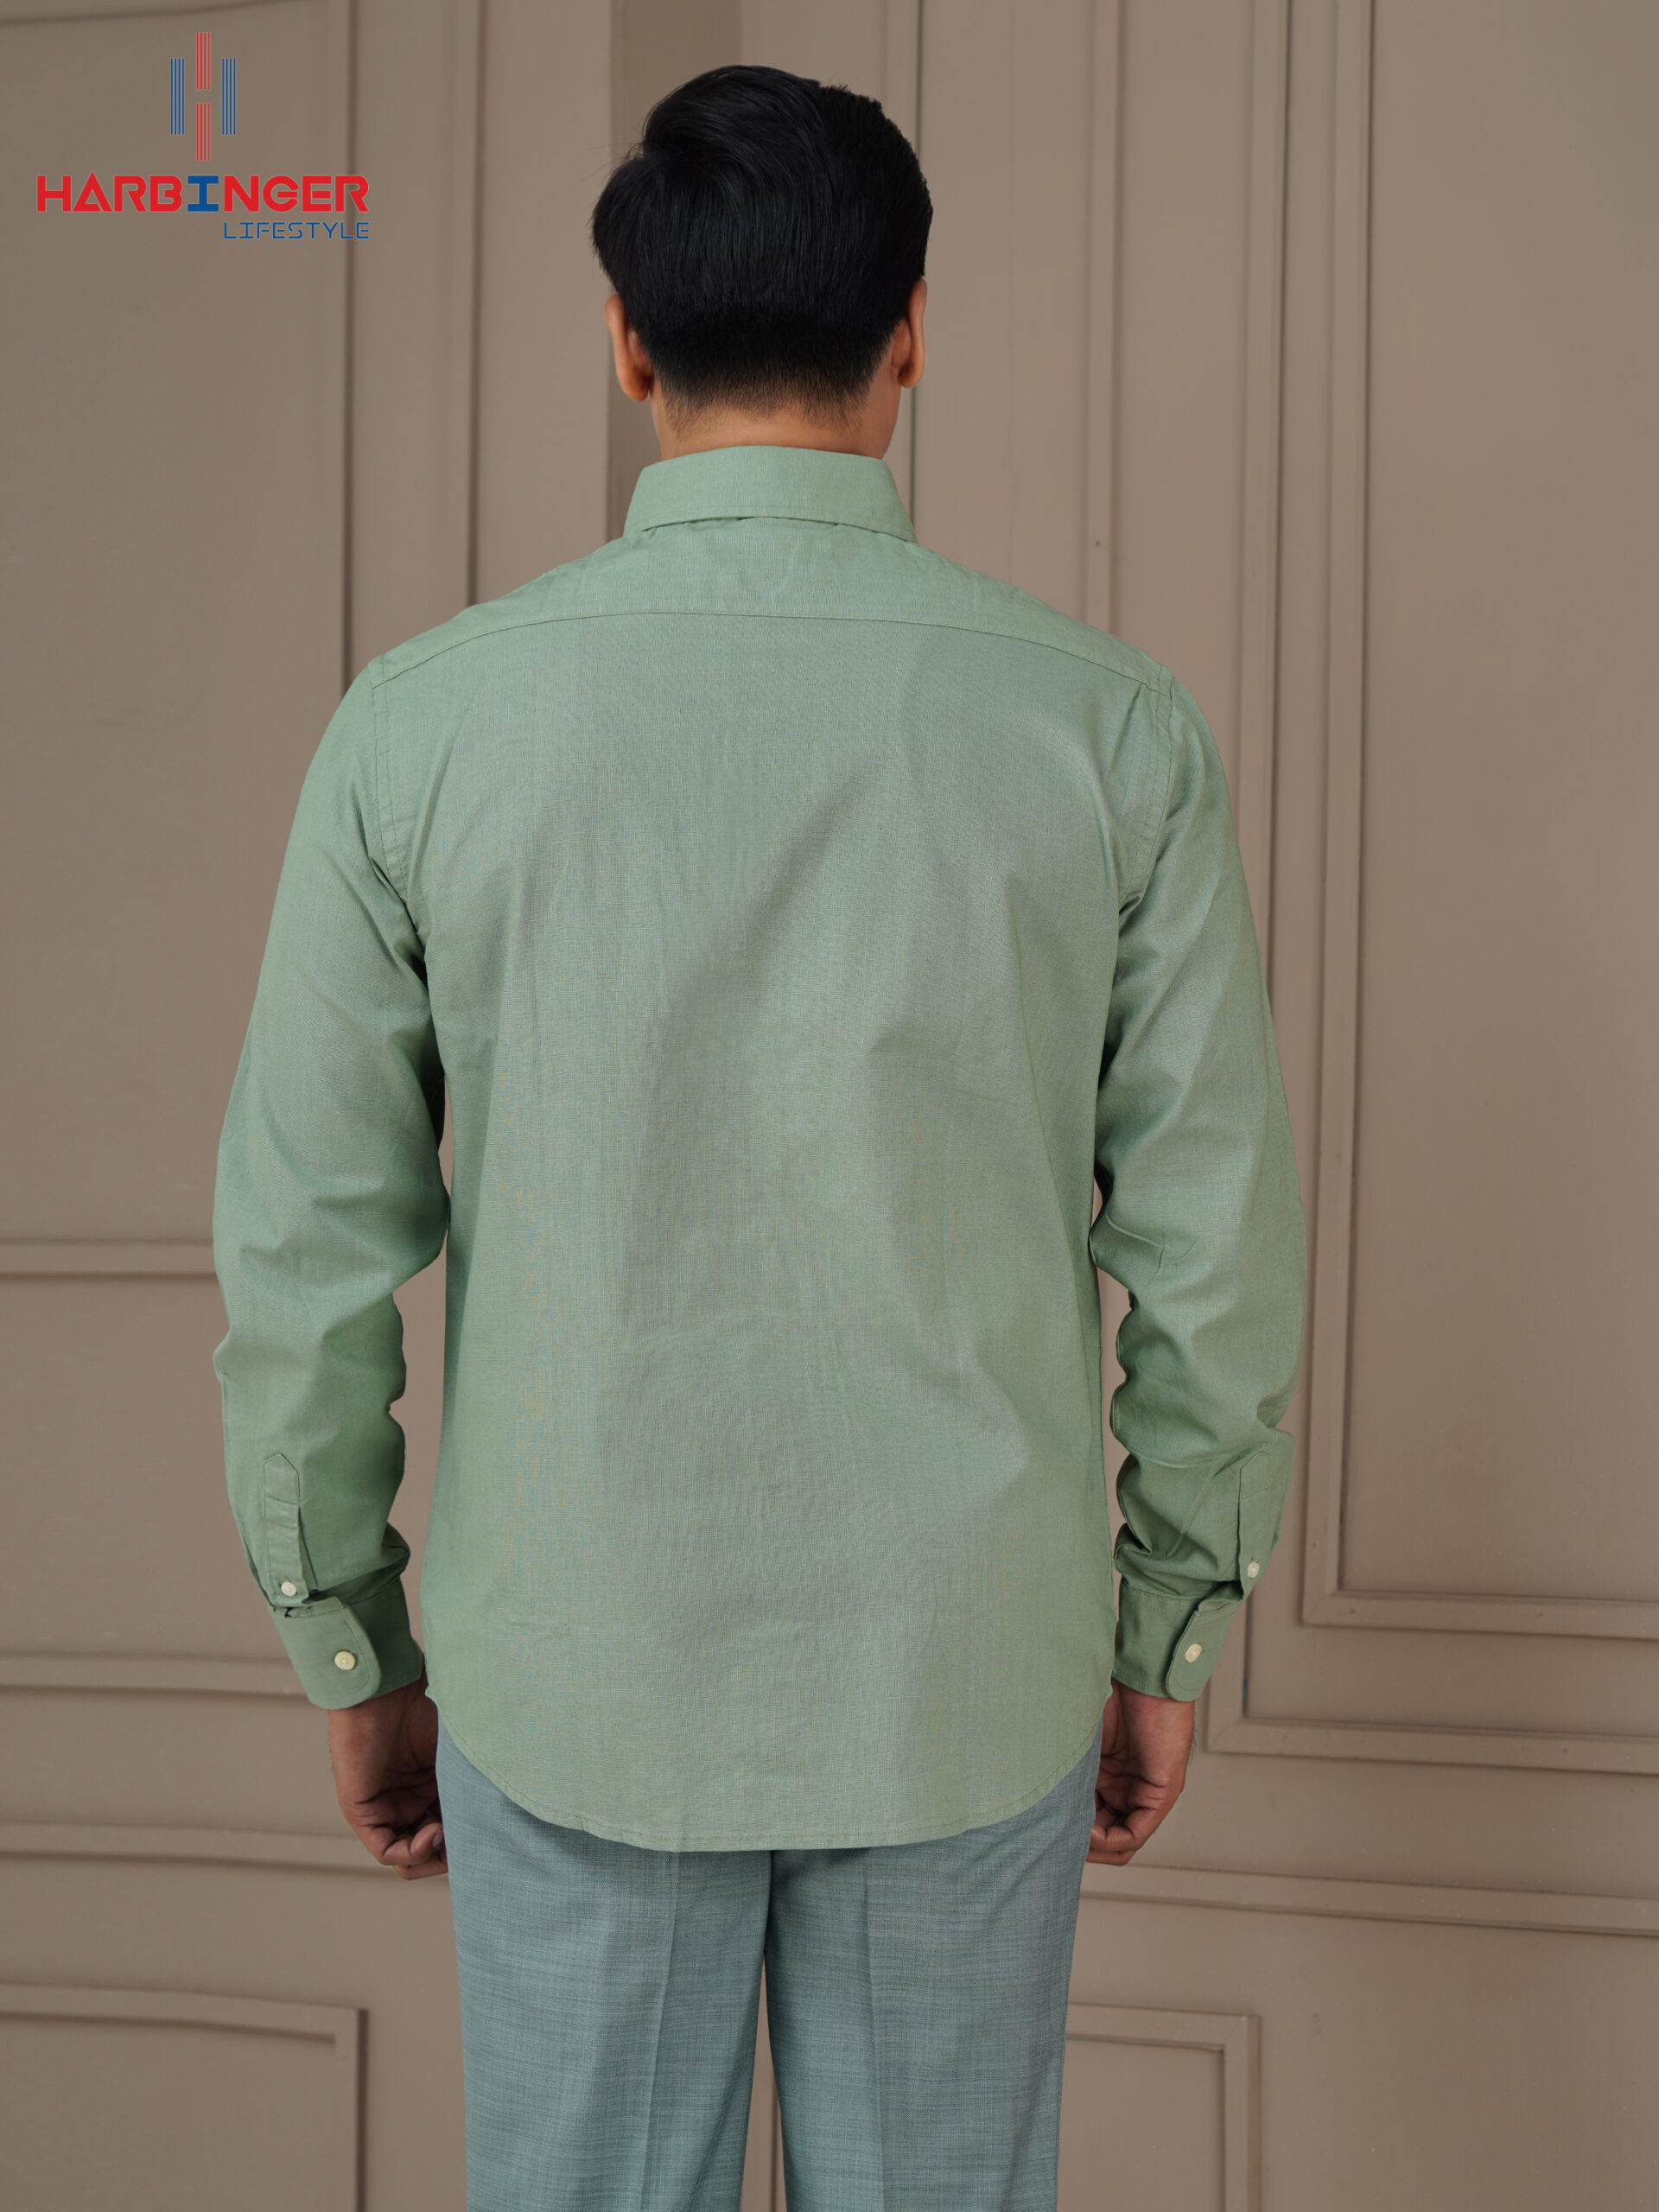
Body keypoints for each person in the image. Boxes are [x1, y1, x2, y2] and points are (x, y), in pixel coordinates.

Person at [212, 60, 1306, 2212]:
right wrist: (1169, 1623)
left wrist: (352, 1638)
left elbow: (305, 1249)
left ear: (628, 346)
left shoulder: (421, 726)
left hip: (574, 1672)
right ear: (914, 330)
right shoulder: (1110, 732)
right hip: (966, 1668)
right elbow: (1214, 1245)